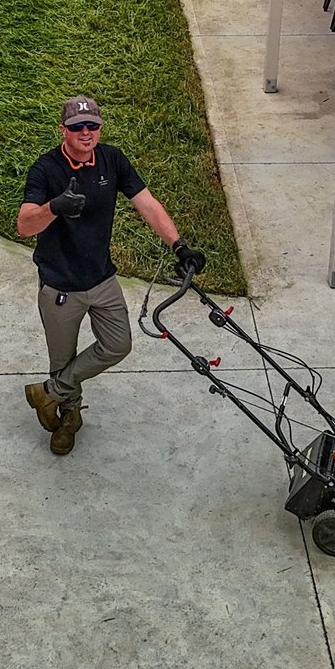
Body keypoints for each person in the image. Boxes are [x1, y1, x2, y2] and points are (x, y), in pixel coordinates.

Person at [17, 95, 204, 455]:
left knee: (118, 344)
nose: (86, 133)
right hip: (60, 286)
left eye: (93, 126)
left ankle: (50, 392)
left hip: (102, 279)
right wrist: (55, 207)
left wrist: (178, 245)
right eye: (77, 127)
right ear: (63, 130)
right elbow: (25, 225)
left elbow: (147, 204)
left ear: (100, 128)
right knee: (63, 359)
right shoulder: (45, 169)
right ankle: (69, 417)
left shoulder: (112, 159)